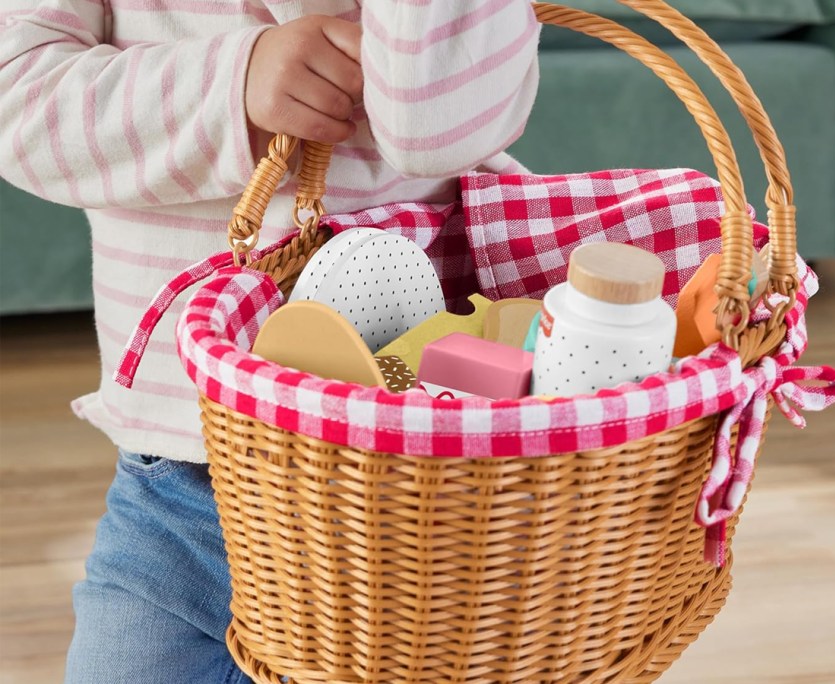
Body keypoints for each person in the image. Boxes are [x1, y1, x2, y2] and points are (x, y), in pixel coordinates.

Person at [0, 2, 540, 681]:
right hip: (179, 488)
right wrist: (233, 83)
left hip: (413, 499)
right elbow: (18, 94)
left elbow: (437, 126)